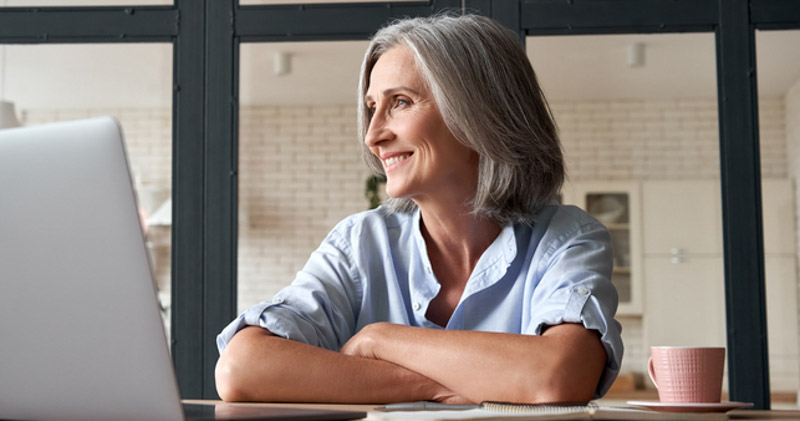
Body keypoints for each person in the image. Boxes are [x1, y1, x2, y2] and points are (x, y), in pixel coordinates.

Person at [215, 13, 623, 405]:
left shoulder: (566, 238)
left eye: (401, 102)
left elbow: (559, 377)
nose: (373, 135)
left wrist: (379, 339)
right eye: (373, 107)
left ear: (479, 112)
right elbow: (242, 368)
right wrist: (438, 385)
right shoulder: (359, 244)